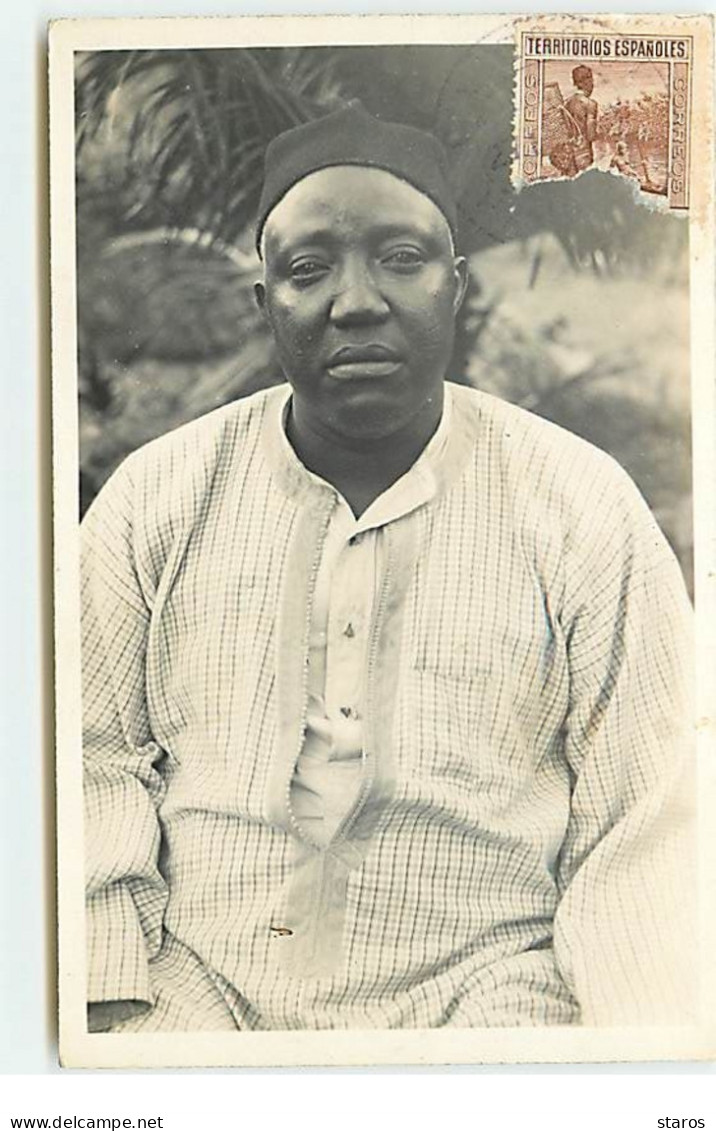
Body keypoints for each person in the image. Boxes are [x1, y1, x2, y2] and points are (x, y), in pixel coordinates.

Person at [83, 105, 694, 1034]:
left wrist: (632, 1052)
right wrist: (108, 1005)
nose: (357, 301)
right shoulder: (155, 496)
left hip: (490, 998)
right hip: (198, 992)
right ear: (264, 304)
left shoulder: (582, 503)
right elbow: (84, 762)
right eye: (308, 269)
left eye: (402, 259)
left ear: (455, 286)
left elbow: (646, 811)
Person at [564, 64, 598, 171]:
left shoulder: (567, 103)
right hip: (584, 154)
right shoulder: (590, 104)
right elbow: (591, 135)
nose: (593, 84)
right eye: (591, 79)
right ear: (585, 82)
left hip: (569, 154)